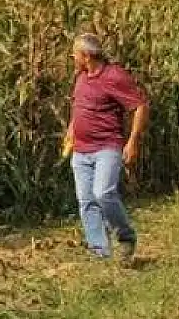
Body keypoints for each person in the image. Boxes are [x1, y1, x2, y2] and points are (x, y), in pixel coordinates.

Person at [61, 32, 150, 264]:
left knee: (103, 193)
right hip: (81, 150)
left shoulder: (114, 77)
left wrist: (133, 141)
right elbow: (79, 106)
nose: (72, 56)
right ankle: (99, 251)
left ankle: (126, 237)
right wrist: (71, 130)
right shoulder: (81, 76)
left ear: (87, 55)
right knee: (86, 201)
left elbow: (139, 106)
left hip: (106, 147)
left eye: (75, 53)